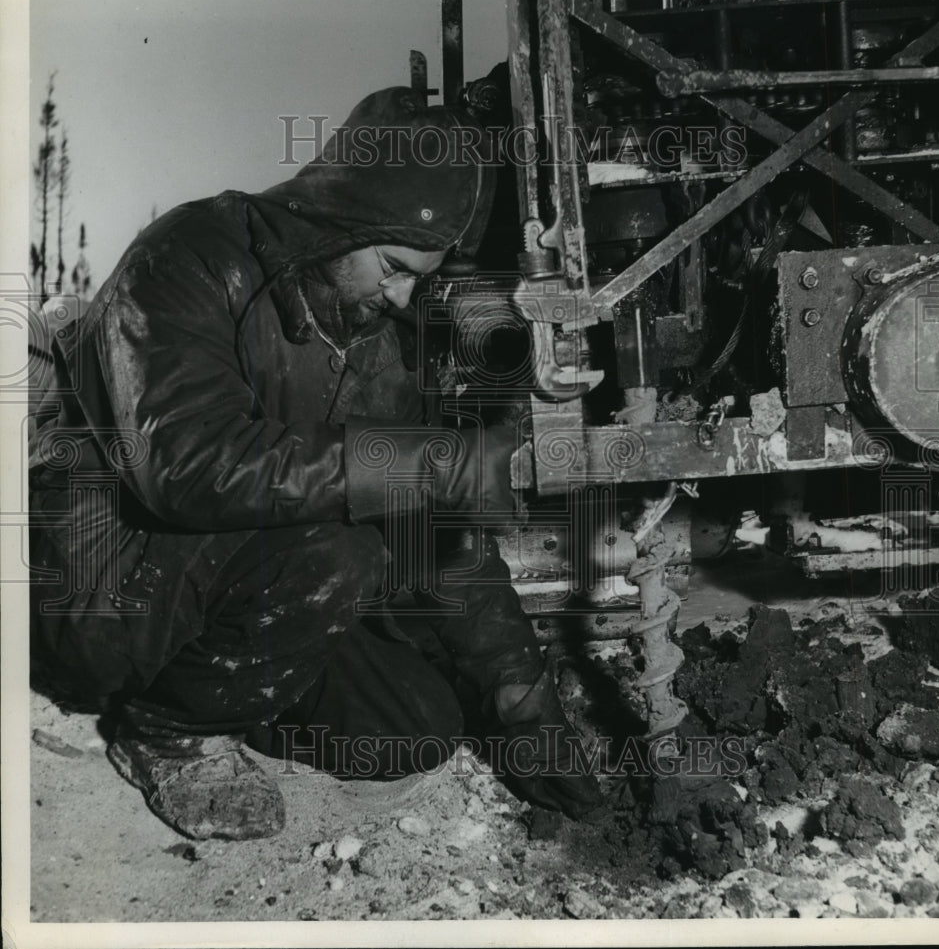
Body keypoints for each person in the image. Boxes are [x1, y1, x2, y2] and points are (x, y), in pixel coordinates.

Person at [29, 86, 601, 840]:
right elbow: (183, 464)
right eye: (393, 265)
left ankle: (227, 691)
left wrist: (524, 701)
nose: (402, 294)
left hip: (226, 585)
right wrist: (419, 460)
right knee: (345, 552)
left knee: (413, 724)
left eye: (419, 279)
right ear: (345, 216)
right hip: (98, 588)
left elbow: (435, 535)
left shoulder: (375, 336)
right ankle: (165, 731)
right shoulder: (189, 256)